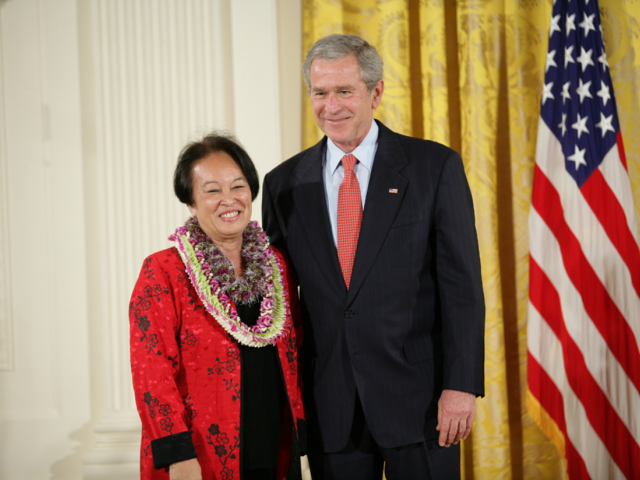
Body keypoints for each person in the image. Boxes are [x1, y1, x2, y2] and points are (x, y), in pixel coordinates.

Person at [262, 34, 485, 480]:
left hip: (421, 403)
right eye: (319, 93)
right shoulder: (283, 183)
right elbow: (279, 302)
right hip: (331, 406)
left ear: (376, 92)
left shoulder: (434, 167)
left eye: (345, 91)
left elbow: (461, 288)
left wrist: (460, 387)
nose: (331, 106)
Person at [129, 132, 305, 480]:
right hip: (202, 457)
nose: (229, 199)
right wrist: (177, 453)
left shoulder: (278, 266)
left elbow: (296, 349)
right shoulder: (164, 270)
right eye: (211, 190)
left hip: (275, 449)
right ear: (191, 202)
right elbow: (151, 373)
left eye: (238, 186)